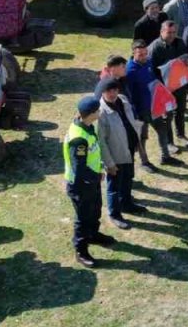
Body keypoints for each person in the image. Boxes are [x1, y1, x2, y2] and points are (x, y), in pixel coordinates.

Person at [63, 96, 115, 268]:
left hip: (91, 181)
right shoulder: (78, 139)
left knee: (95, 210)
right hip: (80, 184)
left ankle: (93, 235)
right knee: (83, 218)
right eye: (98, 110)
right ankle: (81, 251)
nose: (100, 112)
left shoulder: (87, 126)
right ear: (91, 114)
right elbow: (79, 169)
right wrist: (96, 176)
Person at [96, 78, 148, 230]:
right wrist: (109, 163)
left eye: (115, 90)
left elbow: (130, 121)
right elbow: (101, 142)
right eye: (108, 91)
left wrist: (137, 141)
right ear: (103, 92)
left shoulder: (123, 100)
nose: (112, 94)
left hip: (128, 149)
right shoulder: (100, 112)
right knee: (114, 186)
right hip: (115, 155)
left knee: (128, 178)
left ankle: (127, 204)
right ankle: (114, 214)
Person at [147, 21, 188, 158]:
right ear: (162, 32)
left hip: (179, 85)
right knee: (167, 116)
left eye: (174, 32)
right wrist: (160, 87)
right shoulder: (154, 48)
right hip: (163, 88)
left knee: (180, 110)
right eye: (169, 32)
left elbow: (186, 58)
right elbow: (151, 71)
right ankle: (169, 142)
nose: (172, 35)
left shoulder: (180, 43)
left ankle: (181, 135)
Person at [123, 41, 166, 173]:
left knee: (162, 128)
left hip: (153, 105)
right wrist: (135, 112)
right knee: (142, 137)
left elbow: (152, 79)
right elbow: (128, 94)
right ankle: (144, 161)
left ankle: (166, 156)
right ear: (133, 53)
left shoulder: (148, 62)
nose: (144, 57)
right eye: (140, 54)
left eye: (145, 54)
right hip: (140, 110)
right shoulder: (129, 71)